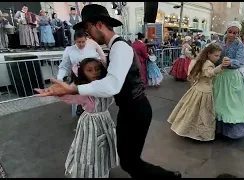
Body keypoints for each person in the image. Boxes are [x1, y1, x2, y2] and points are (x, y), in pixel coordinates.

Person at [35, 4, 181, 178]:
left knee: (129, 162)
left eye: (88, 31)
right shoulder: (116, 47)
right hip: (130, 110)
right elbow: (106, 83)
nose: (88, 37)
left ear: (97, 25)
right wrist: (62, 90)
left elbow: (112, 85)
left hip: (136, 111)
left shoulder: (120, 47)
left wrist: (74, 88)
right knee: (128, 160)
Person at [42, 58, 118, 178]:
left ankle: (102, 169)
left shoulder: (105, 85)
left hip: (105, 120)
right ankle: (89, 173)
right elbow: (70, 96)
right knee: (90, 148)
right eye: (89, 70)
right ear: (83, 73)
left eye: (97, 69)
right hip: (90, 124)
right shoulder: (83, 91)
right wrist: (56, 92)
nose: (95, 72)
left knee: (104, 146)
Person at [168, 43, 226, 141]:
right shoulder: (208, 64)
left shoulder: (202, 61)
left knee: (191, 110)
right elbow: (209, 73)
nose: (218, 58)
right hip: (204, 92)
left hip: (198, 89)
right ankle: (200, 133)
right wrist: (221, 67)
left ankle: (187, 128)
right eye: (216, 55)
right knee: (203, 113)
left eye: (219, 56)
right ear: (209, 54)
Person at [213, 21, 244, 139]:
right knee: (217, 102)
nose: (232, 35)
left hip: (232, 77)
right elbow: (214, 55)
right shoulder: (219, 42)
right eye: (230, 32)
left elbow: (241, 60)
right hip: (219, 75)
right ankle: (216, 128)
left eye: (235, 33)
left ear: (238, 33)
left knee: (232, 104)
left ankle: (231, 130)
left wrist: (231, 62)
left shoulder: (239, 45)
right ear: (226, 31)